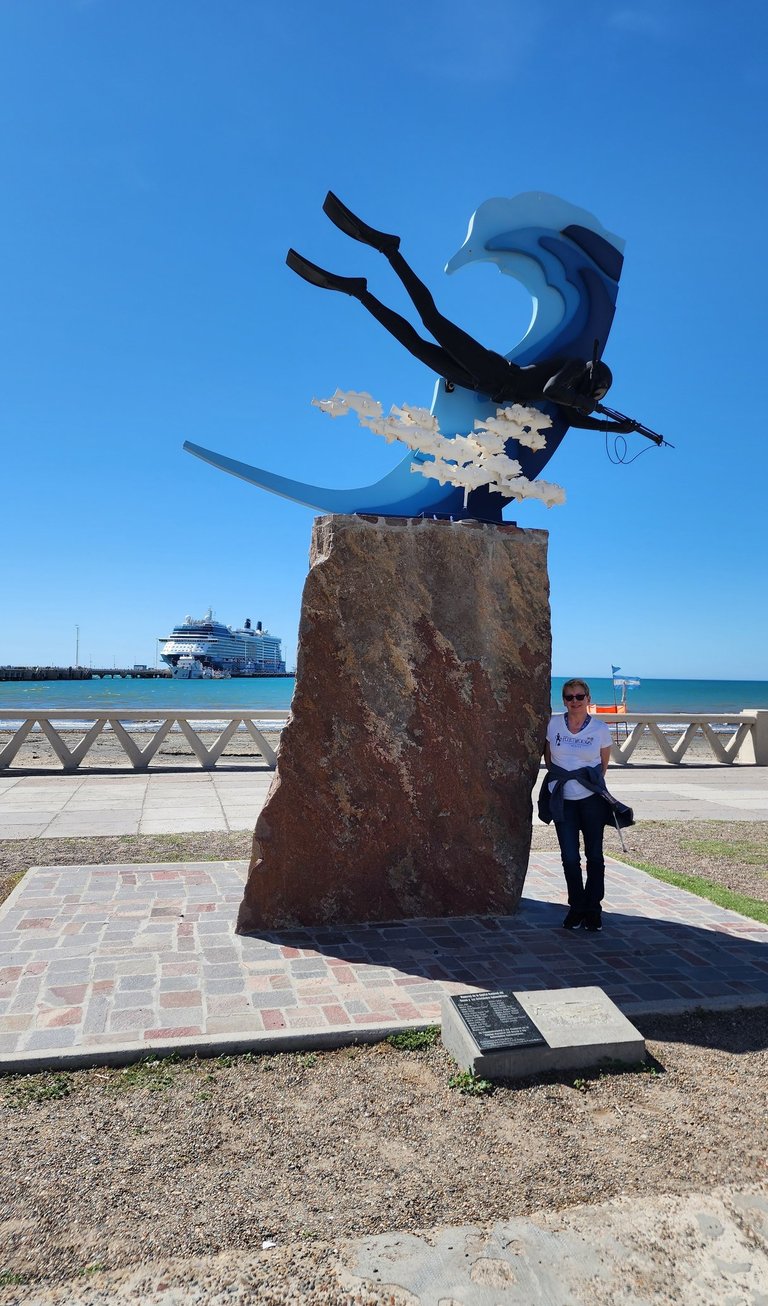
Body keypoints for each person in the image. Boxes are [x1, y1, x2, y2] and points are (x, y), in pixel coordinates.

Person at [286, 191, 641, 434]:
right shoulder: (575, 367)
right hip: (494, 370)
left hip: (477, 382)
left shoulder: (572, 393)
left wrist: (614, 426)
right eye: (591, 395)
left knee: (414, 345)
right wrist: (585, 403)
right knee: (431, 319)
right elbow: (552, 391)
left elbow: (572, 419)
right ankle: (389, 250)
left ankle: (360, 293)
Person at [543, 679, 613, 933]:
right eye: (569, 697)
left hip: (591, 800)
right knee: (569, 857)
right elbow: (549, 759)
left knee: (594, 855)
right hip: (563, 800)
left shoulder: (600, 729)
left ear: (588, 699)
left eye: (579, 696)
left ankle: (593, 910)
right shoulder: (553, 724)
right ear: (563, 700)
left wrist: (585, 783)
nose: (575, 701)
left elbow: (603, 765)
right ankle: (577, 907)